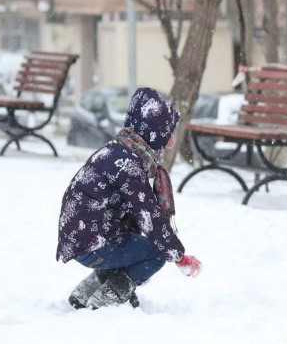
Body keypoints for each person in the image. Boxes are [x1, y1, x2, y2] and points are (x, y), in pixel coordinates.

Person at [56, 87, 202, 310]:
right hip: (91, 243)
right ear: (156, 134)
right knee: (155, 253)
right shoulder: (130, 165)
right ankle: (108, 297)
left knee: (128, 240)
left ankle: (84, 293)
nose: (170, 140)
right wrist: (178, 256)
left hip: (78, 238)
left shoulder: (116, 150)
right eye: (168, 132)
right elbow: (149, 217)